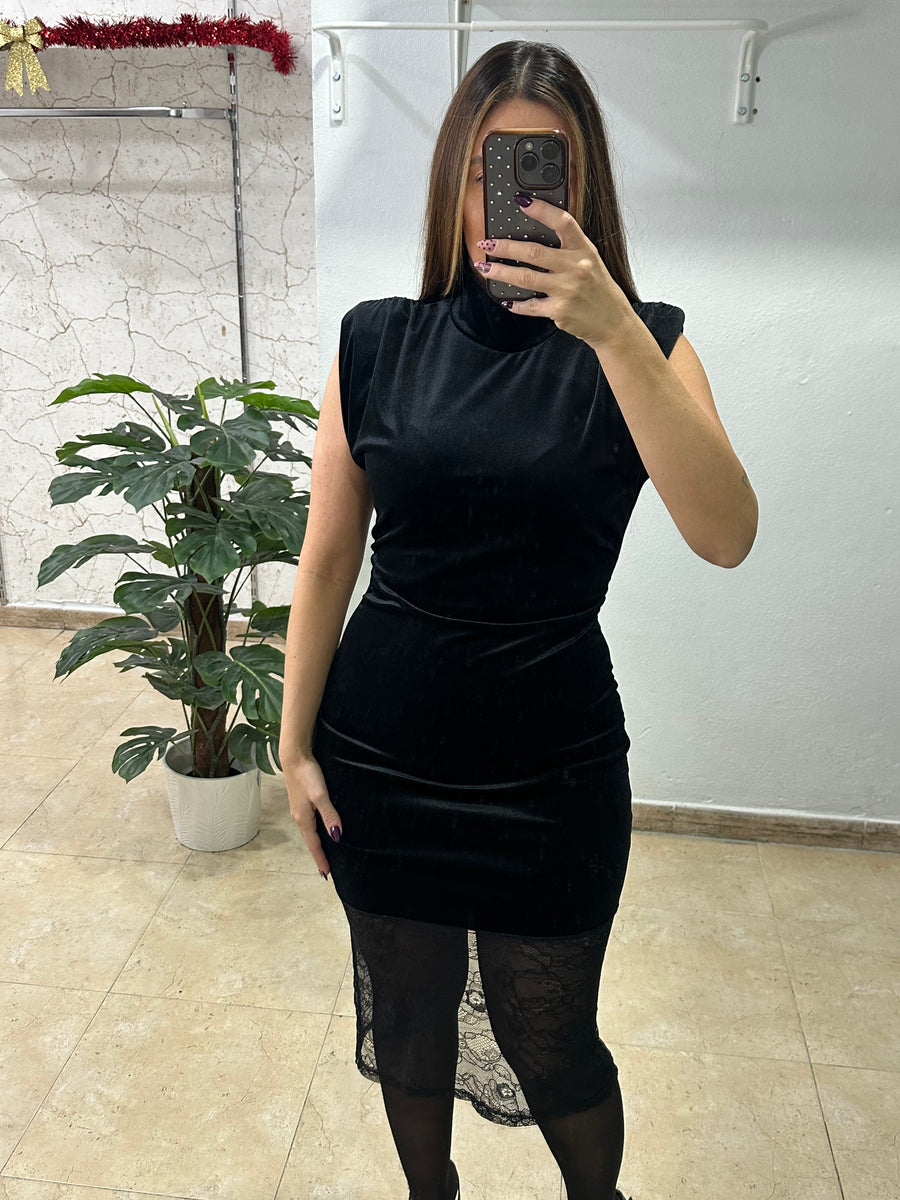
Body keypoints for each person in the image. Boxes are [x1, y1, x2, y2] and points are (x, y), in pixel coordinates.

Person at [279, 40, 758, 1200]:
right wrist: (291, 746)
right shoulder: (376, 338)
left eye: (550, 169)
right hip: (382, 758)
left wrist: (614, 332)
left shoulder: (649, 343)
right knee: (408, 1022)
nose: (522, 197)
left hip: (553, 775)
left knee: (554, 1042)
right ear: (456, 182)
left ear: (586, 190)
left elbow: (727, 532)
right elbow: (330, 555)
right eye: (493, 168)